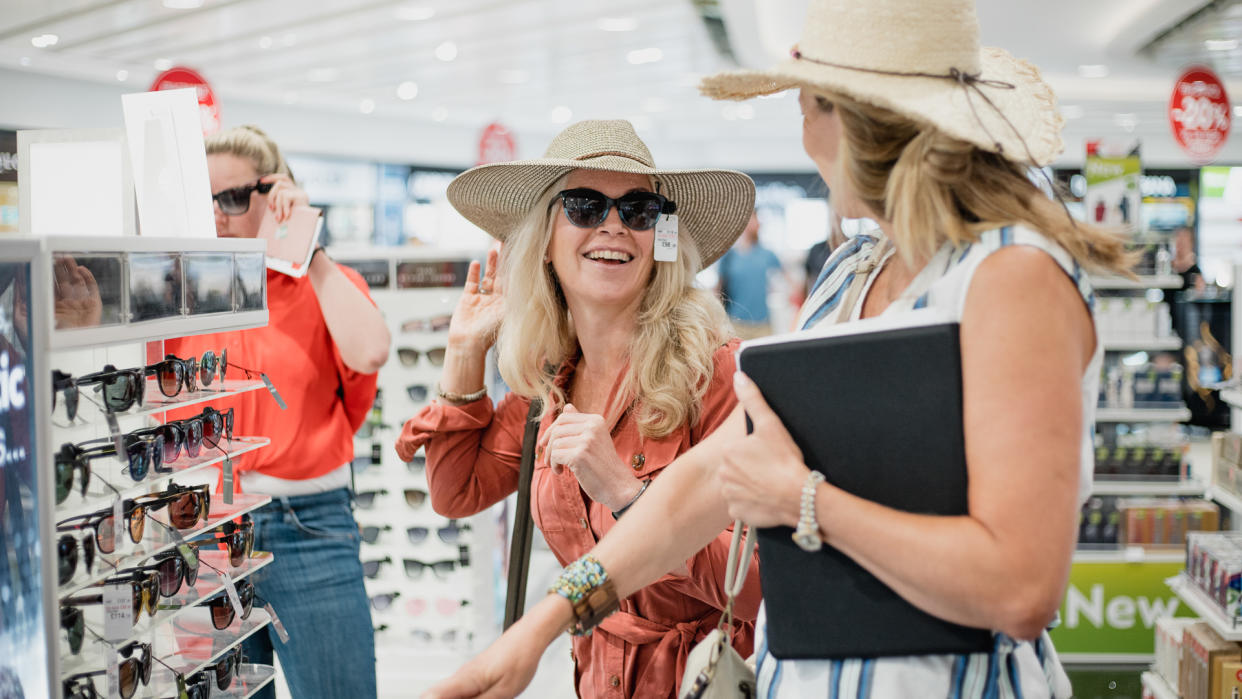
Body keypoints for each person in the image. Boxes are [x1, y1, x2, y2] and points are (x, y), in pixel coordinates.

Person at [422, 0, 1133, 697]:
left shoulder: (1010, 277)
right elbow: (696, 486)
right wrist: (544, 623)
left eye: (806, 105)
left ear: (851, 117)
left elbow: (1020, 588)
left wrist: (805, 502)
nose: (801, 133)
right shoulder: (851, 276)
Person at [395, 119, 762, 698]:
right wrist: (465, 350)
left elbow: (760, 586)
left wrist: (627, 494)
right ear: (544, 238)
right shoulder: (548, 385)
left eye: (638, 209)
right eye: (586, 206)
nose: (614, 225)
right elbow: (456, 492)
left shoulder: (716, 376)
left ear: (659, 235)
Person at [166, 125, 391, 699]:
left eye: (234, 198)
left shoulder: (319, 284)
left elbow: (370, 351)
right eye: (206, 200)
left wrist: (306, 247)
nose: (218, 216)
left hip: (307, 524)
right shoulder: (177, 294)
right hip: (202, 530)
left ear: (276, 194)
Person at [716, 211, 786, 339]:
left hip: (763, 324)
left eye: (756, 219)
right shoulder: (728, 256)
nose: (756, 223)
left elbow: (786, 277)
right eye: (752, 219)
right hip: (736, 324)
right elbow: (718, 290)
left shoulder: (767, 254)